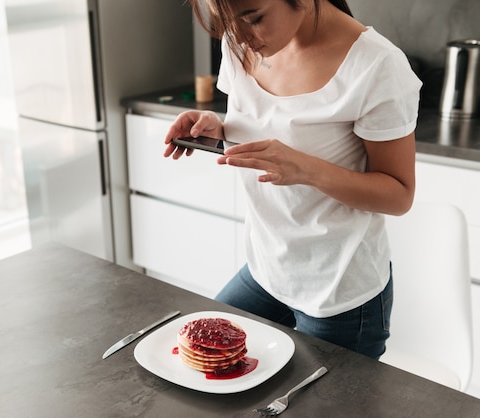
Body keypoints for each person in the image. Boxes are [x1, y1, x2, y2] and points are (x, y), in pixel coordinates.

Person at [163, 0, 422, 360]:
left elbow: (399, 195)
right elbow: (267, 121)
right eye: (227, 21)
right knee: (203, 364)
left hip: (338, 291)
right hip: (266, 270)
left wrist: (306, 169)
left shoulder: (377, 66)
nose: (238, 36)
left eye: (253, 19)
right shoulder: (240, 44)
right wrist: (216, 127)